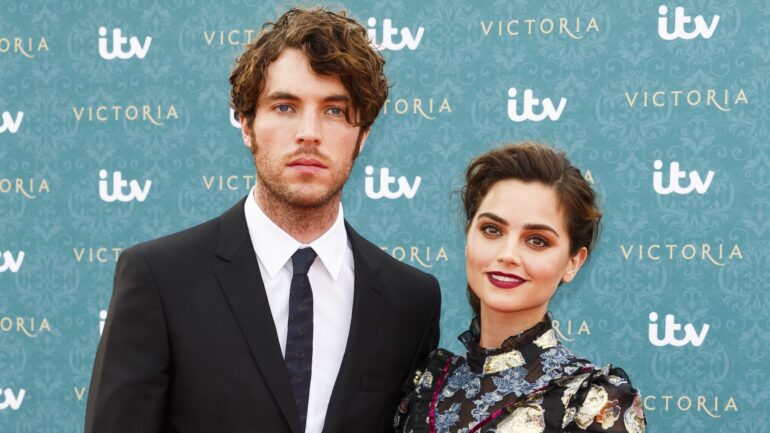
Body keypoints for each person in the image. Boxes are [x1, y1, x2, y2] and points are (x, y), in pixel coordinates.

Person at [84, 7, 440, 433]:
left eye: (334, 111)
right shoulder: (160, 279)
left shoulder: (410, 301)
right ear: (247, 126)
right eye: (285, 106)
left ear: (362, 134)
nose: (309, 132)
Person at [395, 143, 645, 433]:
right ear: (468, 238)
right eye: (492, 230)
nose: (508, 254)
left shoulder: (591, 401)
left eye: (537, 240)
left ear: (573, 262)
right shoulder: (426, 384)